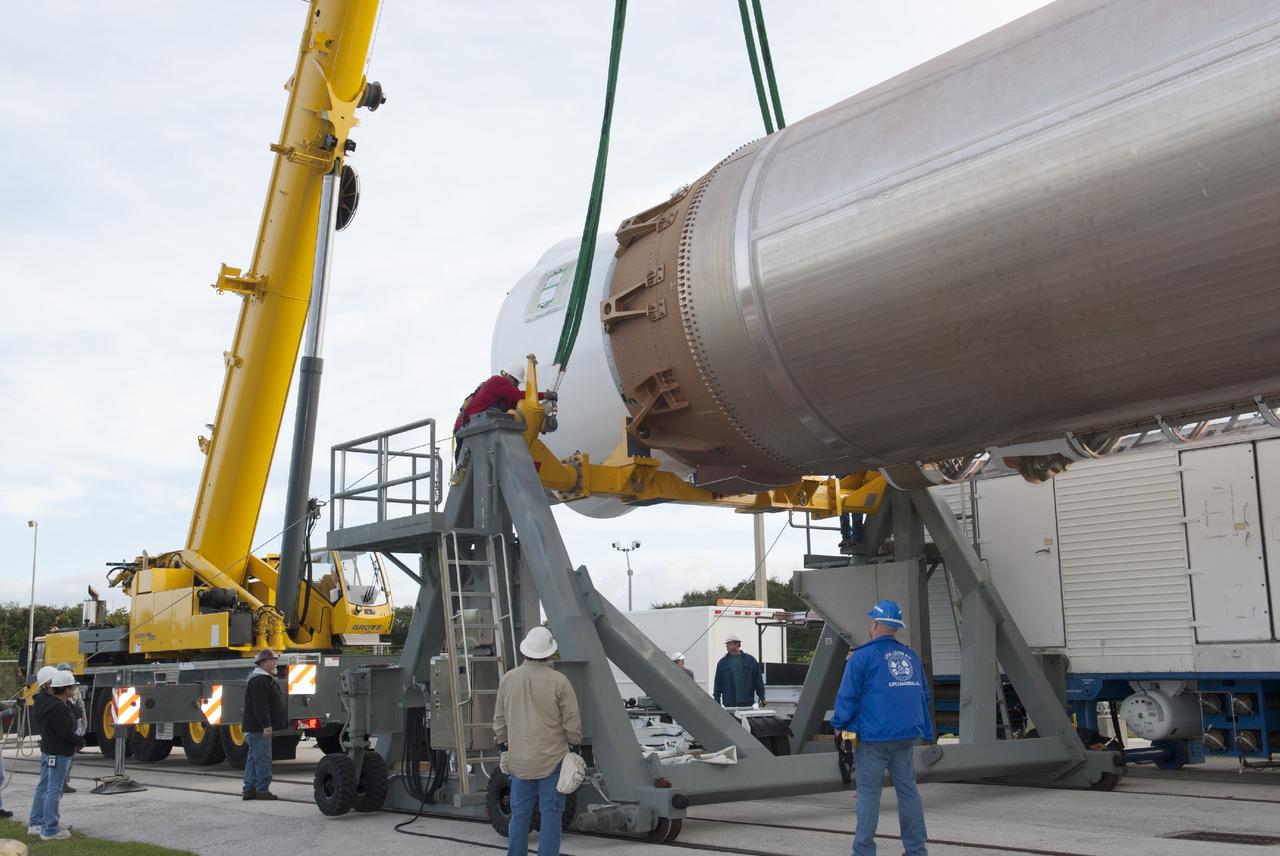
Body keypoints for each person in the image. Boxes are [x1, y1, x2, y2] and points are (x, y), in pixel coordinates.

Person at [831, 599, 933, 856]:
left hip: (872, 738)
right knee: (908, 792)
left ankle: (864, 851)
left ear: (875, 623)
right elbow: (924, 695)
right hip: (905, 735)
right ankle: (916, 851)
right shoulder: (911, 656)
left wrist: (839, 725)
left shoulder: (861, 657)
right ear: (896, 627)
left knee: (868, 796)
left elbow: (848, 696)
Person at [493, 626, 582, 856]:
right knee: (551, 815)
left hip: (519, 761)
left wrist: (503, 747)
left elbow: (499, 721)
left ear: (526, 650)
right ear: (549, 653)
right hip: (552, 760)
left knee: (519, 815)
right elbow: (572, 723)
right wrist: (574, 745)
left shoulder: (508, 680)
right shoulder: (560, 681)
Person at [30, 670, 84, 841]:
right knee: (53, 789)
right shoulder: (55, 706)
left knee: (50, 788)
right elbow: (64, 732)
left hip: (53, 750)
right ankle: (49, 828)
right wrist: (79, 741)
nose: (74, 688)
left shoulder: (54, 704)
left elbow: (72, 715)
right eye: (72, 686)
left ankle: (45, 824)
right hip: (58, 751)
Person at [453, 361, 555, 433]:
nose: (516, 385)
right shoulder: (497, 381)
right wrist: (544, 395)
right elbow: (519, 396)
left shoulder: (503, 394)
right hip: (465, 427)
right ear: (507, 376)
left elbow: (518, 406)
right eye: (516, 381)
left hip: (471, 427)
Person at [241, 648, 286, 801]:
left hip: (255, 727)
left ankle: (249, 789)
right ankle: (262, 790)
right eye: (272, 660)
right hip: (259, 728)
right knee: (263, 759)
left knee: (254, 758)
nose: (275, 663)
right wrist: (266, 725)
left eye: (275, 660)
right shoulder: (260, 681)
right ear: (263, 663)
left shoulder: (262, 679)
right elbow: (260, 706)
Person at [24, 666, 59, 834]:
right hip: (50, 748)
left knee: (47, 786)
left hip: (50, 747)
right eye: (55, 683)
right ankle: (37, 822)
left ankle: (41, 820)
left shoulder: (44, 699)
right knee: (47, 786)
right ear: (46, 684)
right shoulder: (45, 701)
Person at [713, 633, 766, 708]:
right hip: (729, 703)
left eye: (729, 643)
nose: (727, 646)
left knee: (746, 720)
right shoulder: (722, 663)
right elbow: (718, 683)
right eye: (727, 644)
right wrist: (717, 700)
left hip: (747, 702)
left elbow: (758, 681)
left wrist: (762, 699)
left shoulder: (750, 660)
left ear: (737, 644)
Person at [56, 663, 86, 793]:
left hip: (75, 723)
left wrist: (84, 724)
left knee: (71, 756)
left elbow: (81, 706)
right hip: (65, 725)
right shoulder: (57, 692)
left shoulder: (75, 689)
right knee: (61, 756)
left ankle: (65, 781)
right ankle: (59, 782)